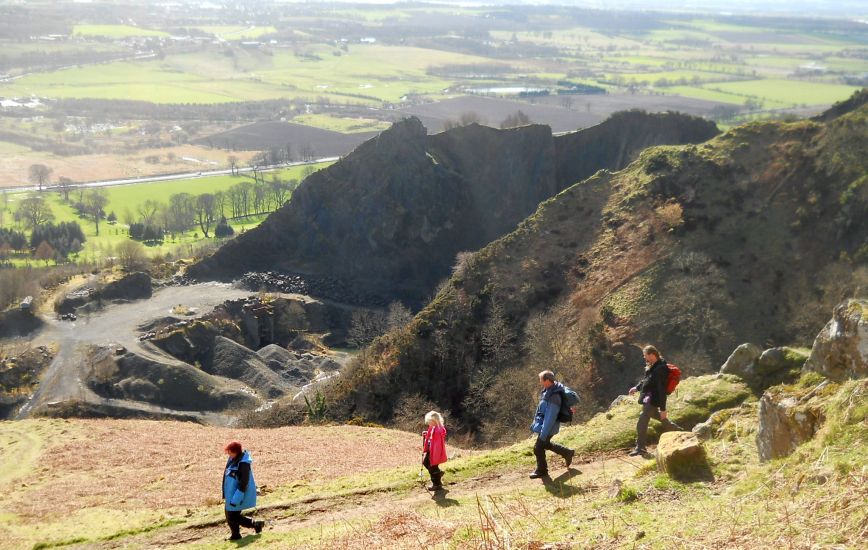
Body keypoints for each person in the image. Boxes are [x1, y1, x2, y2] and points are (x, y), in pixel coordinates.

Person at [628, 345, 683, 457]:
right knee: (658, 417)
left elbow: (661, 390)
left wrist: (663, 409)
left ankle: (640, 447)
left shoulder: (661, 369)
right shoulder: (653, 366)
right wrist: (636, 387)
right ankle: (680, 431)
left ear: (652, 355)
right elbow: (646, 380)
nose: (645, 358)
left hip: (653, 398)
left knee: (643, 419)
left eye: (646, 356)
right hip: (648, 396)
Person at [529, 370, 575, 479]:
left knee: (538, 448)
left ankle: (542, 470)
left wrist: (544, 433)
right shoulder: (548, 390)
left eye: (541, 379)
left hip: (549, 427)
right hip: (545, 425)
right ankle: (567, 452)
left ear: (547, 381)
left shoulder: (554, 396)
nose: (540, 381)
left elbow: (550, 417)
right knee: (545, 444)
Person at [222, 441, 264, 541]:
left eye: (229, 452)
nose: (228, 454)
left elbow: (244, 482)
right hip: (231, 493)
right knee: (230, 514)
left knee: (232, 516)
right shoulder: (232, 459)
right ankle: (237, 534)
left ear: (235, 451)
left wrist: (237, 497)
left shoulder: (244, 464)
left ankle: (254, 525)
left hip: (238, 493)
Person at [421, 410, 447, 491]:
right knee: (426, 463)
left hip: (434, 452)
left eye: (429, 421)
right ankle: (438, 473)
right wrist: (426, 433)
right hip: (431, 450)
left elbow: (437, 444)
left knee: (432, 467)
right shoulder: (433, 428)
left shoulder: (438, 431)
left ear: (434, 421)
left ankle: (436, 484)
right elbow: (431, 436)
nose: (428, 423)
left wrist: (435, 456)